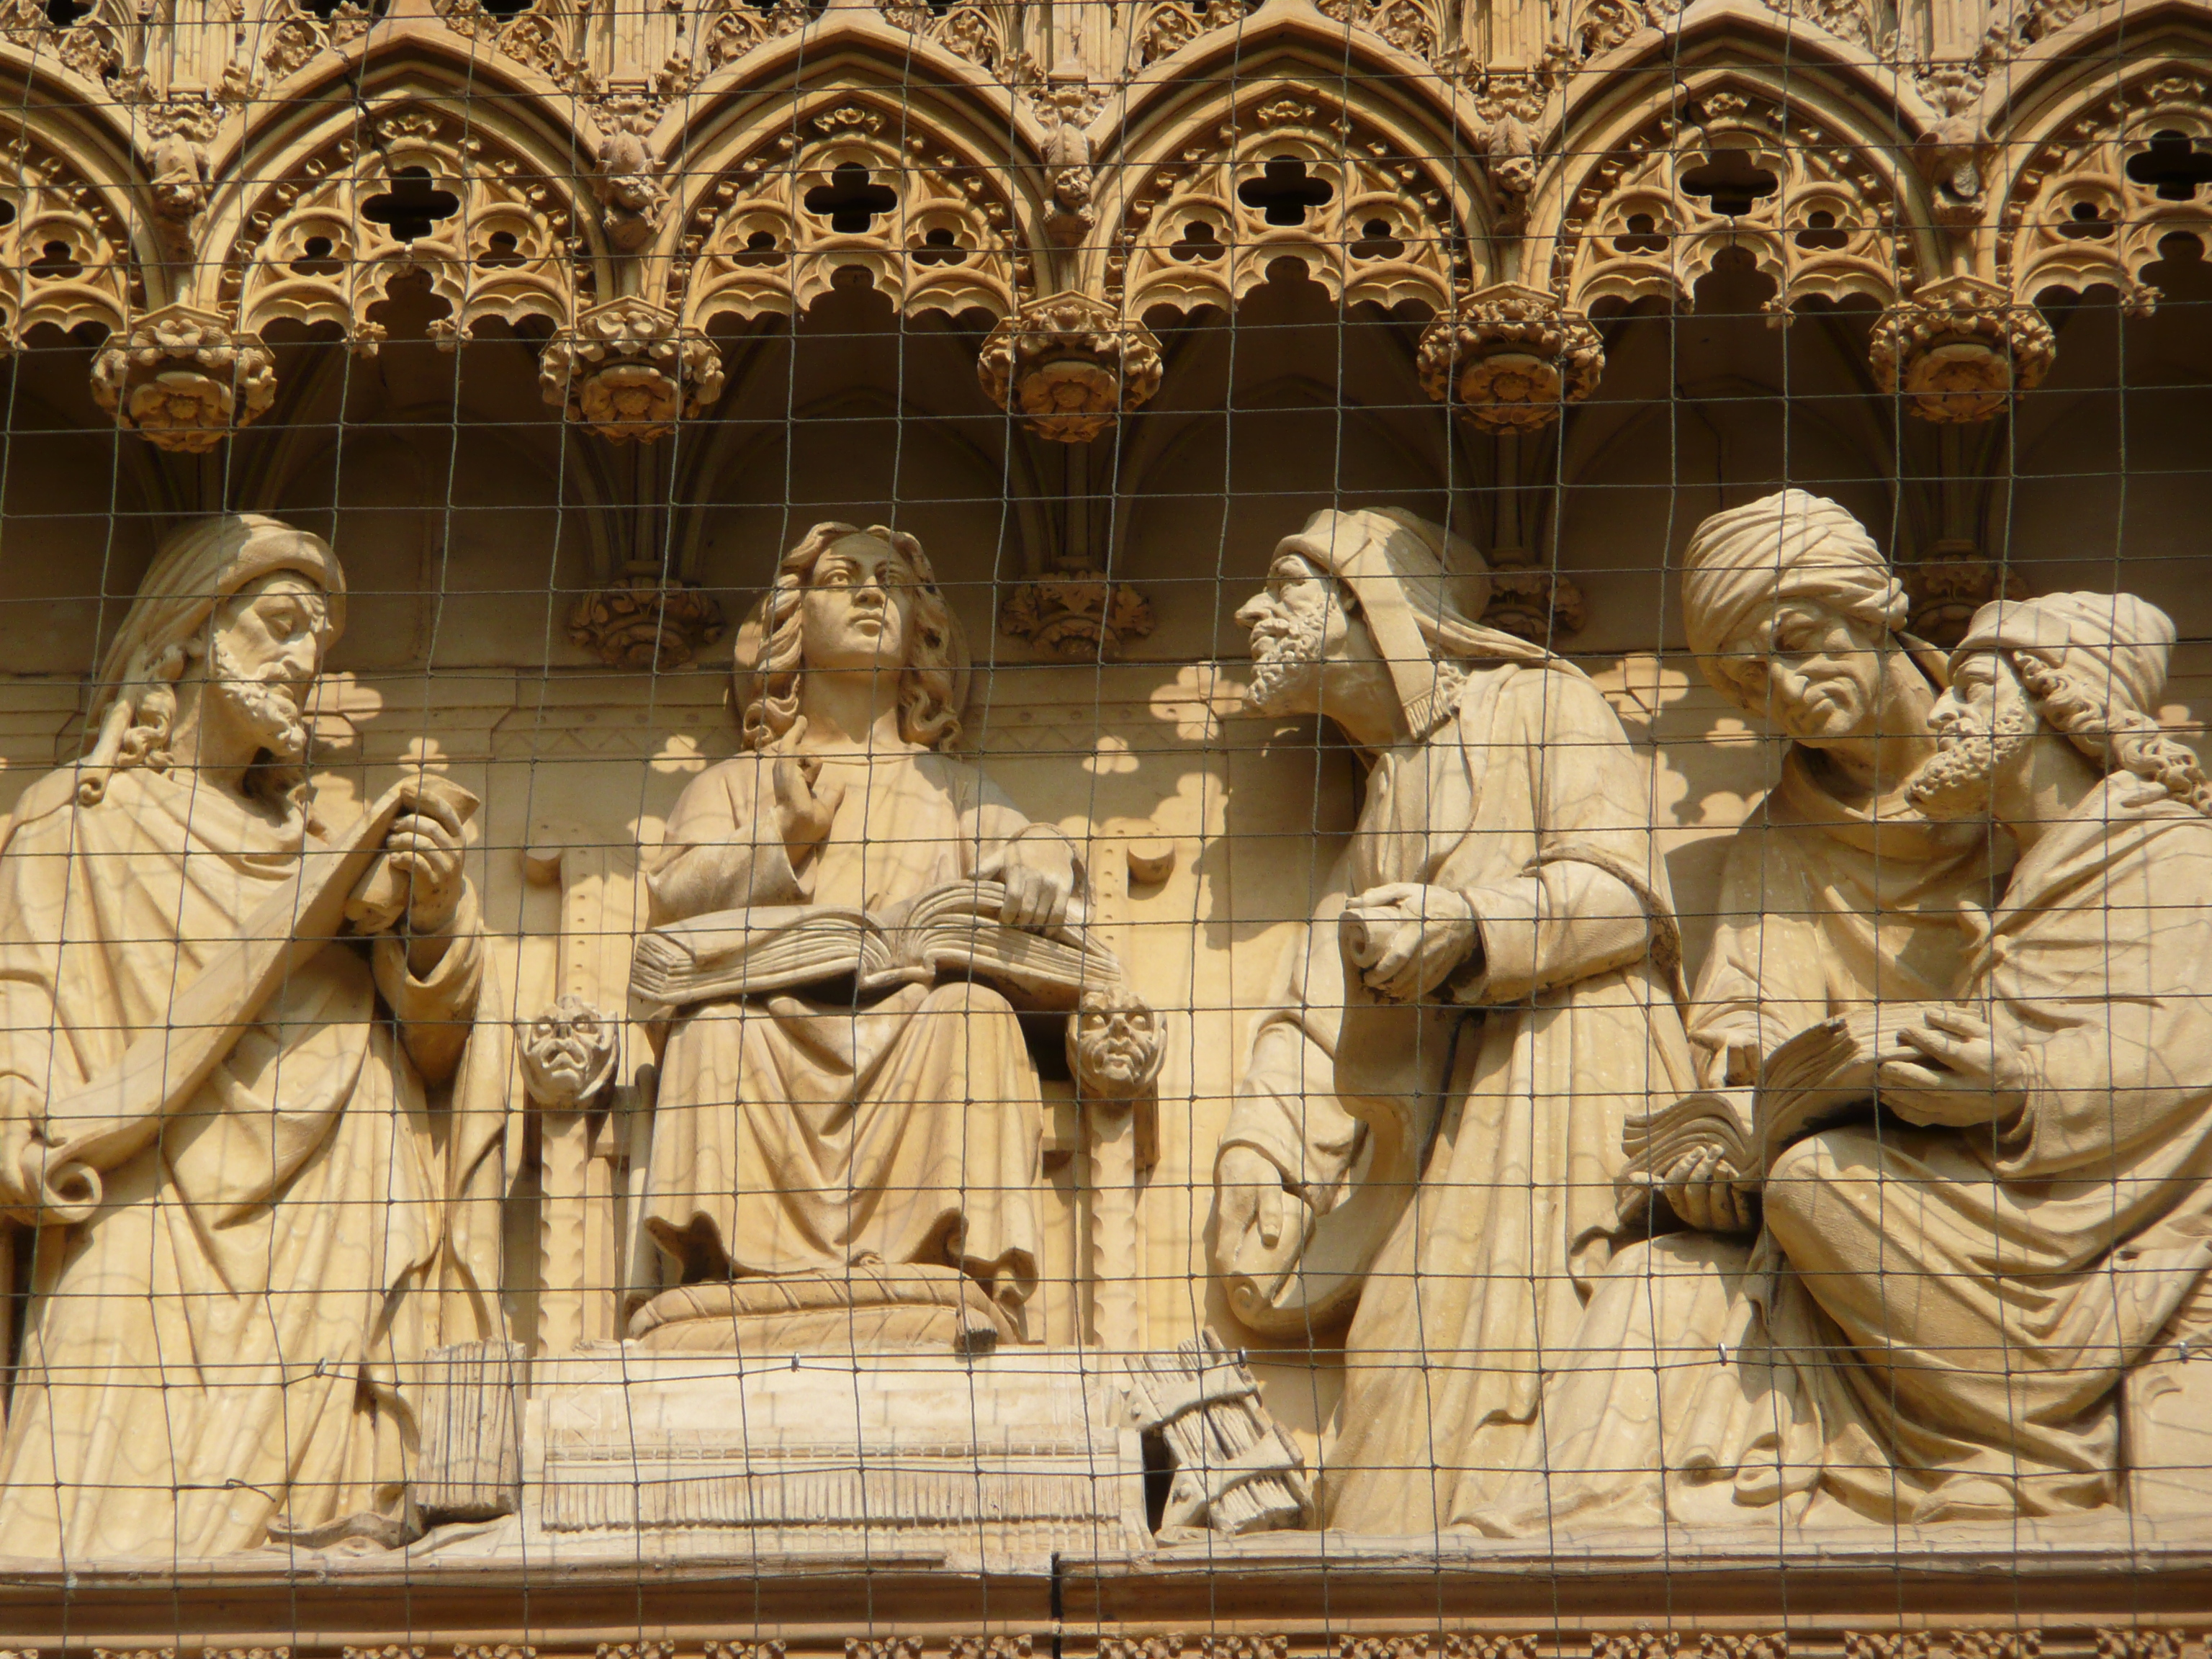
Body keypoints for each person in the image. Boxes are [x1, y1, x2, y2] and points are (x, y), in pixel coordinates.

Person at [1476, 590, 2212, 1531]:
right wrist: (1736, 1139)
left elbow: (2179, 1062)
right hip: (2000, 1192)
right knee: (1668, 1271)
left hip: (2087, 1211)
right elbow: (1750, 1034)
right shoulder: (2038, 866)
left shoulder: (2161, 855)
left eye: (1977, 687)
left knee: (1819, 1183)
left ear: (2060, 702)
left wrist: (2016, 1089)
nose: (1945, 706)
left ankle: (2036, 1453)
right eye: (1749, 679)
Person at [0, 513, 511, 1559]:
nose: (300, 665)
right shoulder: (73, 822)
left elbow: (440, 1049)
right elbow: (26, 995)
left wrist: (436, 919)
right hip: (132, 1197)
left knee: (320, 1540)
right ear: (184, 635)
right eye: (278, 627)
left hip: (337, 1198)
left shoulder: (327, 846)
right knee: (77, 1514)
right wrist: (16, 1114)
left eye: (314, 646)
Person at [1211, 505, 1695, 1532]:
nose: (1252, 611)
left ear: (1372, 605)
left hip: (1564, 1079)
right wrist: (1261, 1152)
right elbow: (1311, 1012)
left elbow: (1629, 894)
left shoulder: (1538, 707)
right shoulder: (1389, 790)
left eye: (1287, 584)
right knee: (1401, 1397)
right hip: (1454, 1138)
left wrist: (1472, 929)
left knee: (1518, 1385)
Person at [635, 522, 1078, 1336]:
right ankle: (725, 1273)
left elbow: (1038, 871)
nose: (872, 592)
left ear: (923, 634)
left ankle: (949, 1268)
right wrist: (784, 837)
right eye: (842, 578)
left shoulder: (954, 789)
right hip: (770, 1027)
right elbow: (671, 906)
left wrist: (1044, 852)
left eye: (892, 582)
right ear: (791, 622)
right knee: (713, 1030)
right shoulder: (738, 785)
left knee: (974, 1016)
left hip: (912, 1029)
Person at [1678, 488, 2008, 1094]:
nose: (1788, 688)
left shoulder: (2018, 742)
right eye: (1752, 677)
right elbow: (1748, 997)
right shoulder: (1786, 834)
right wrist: (1744, 1052)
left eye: (1798, 642)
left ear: (1867, 611)